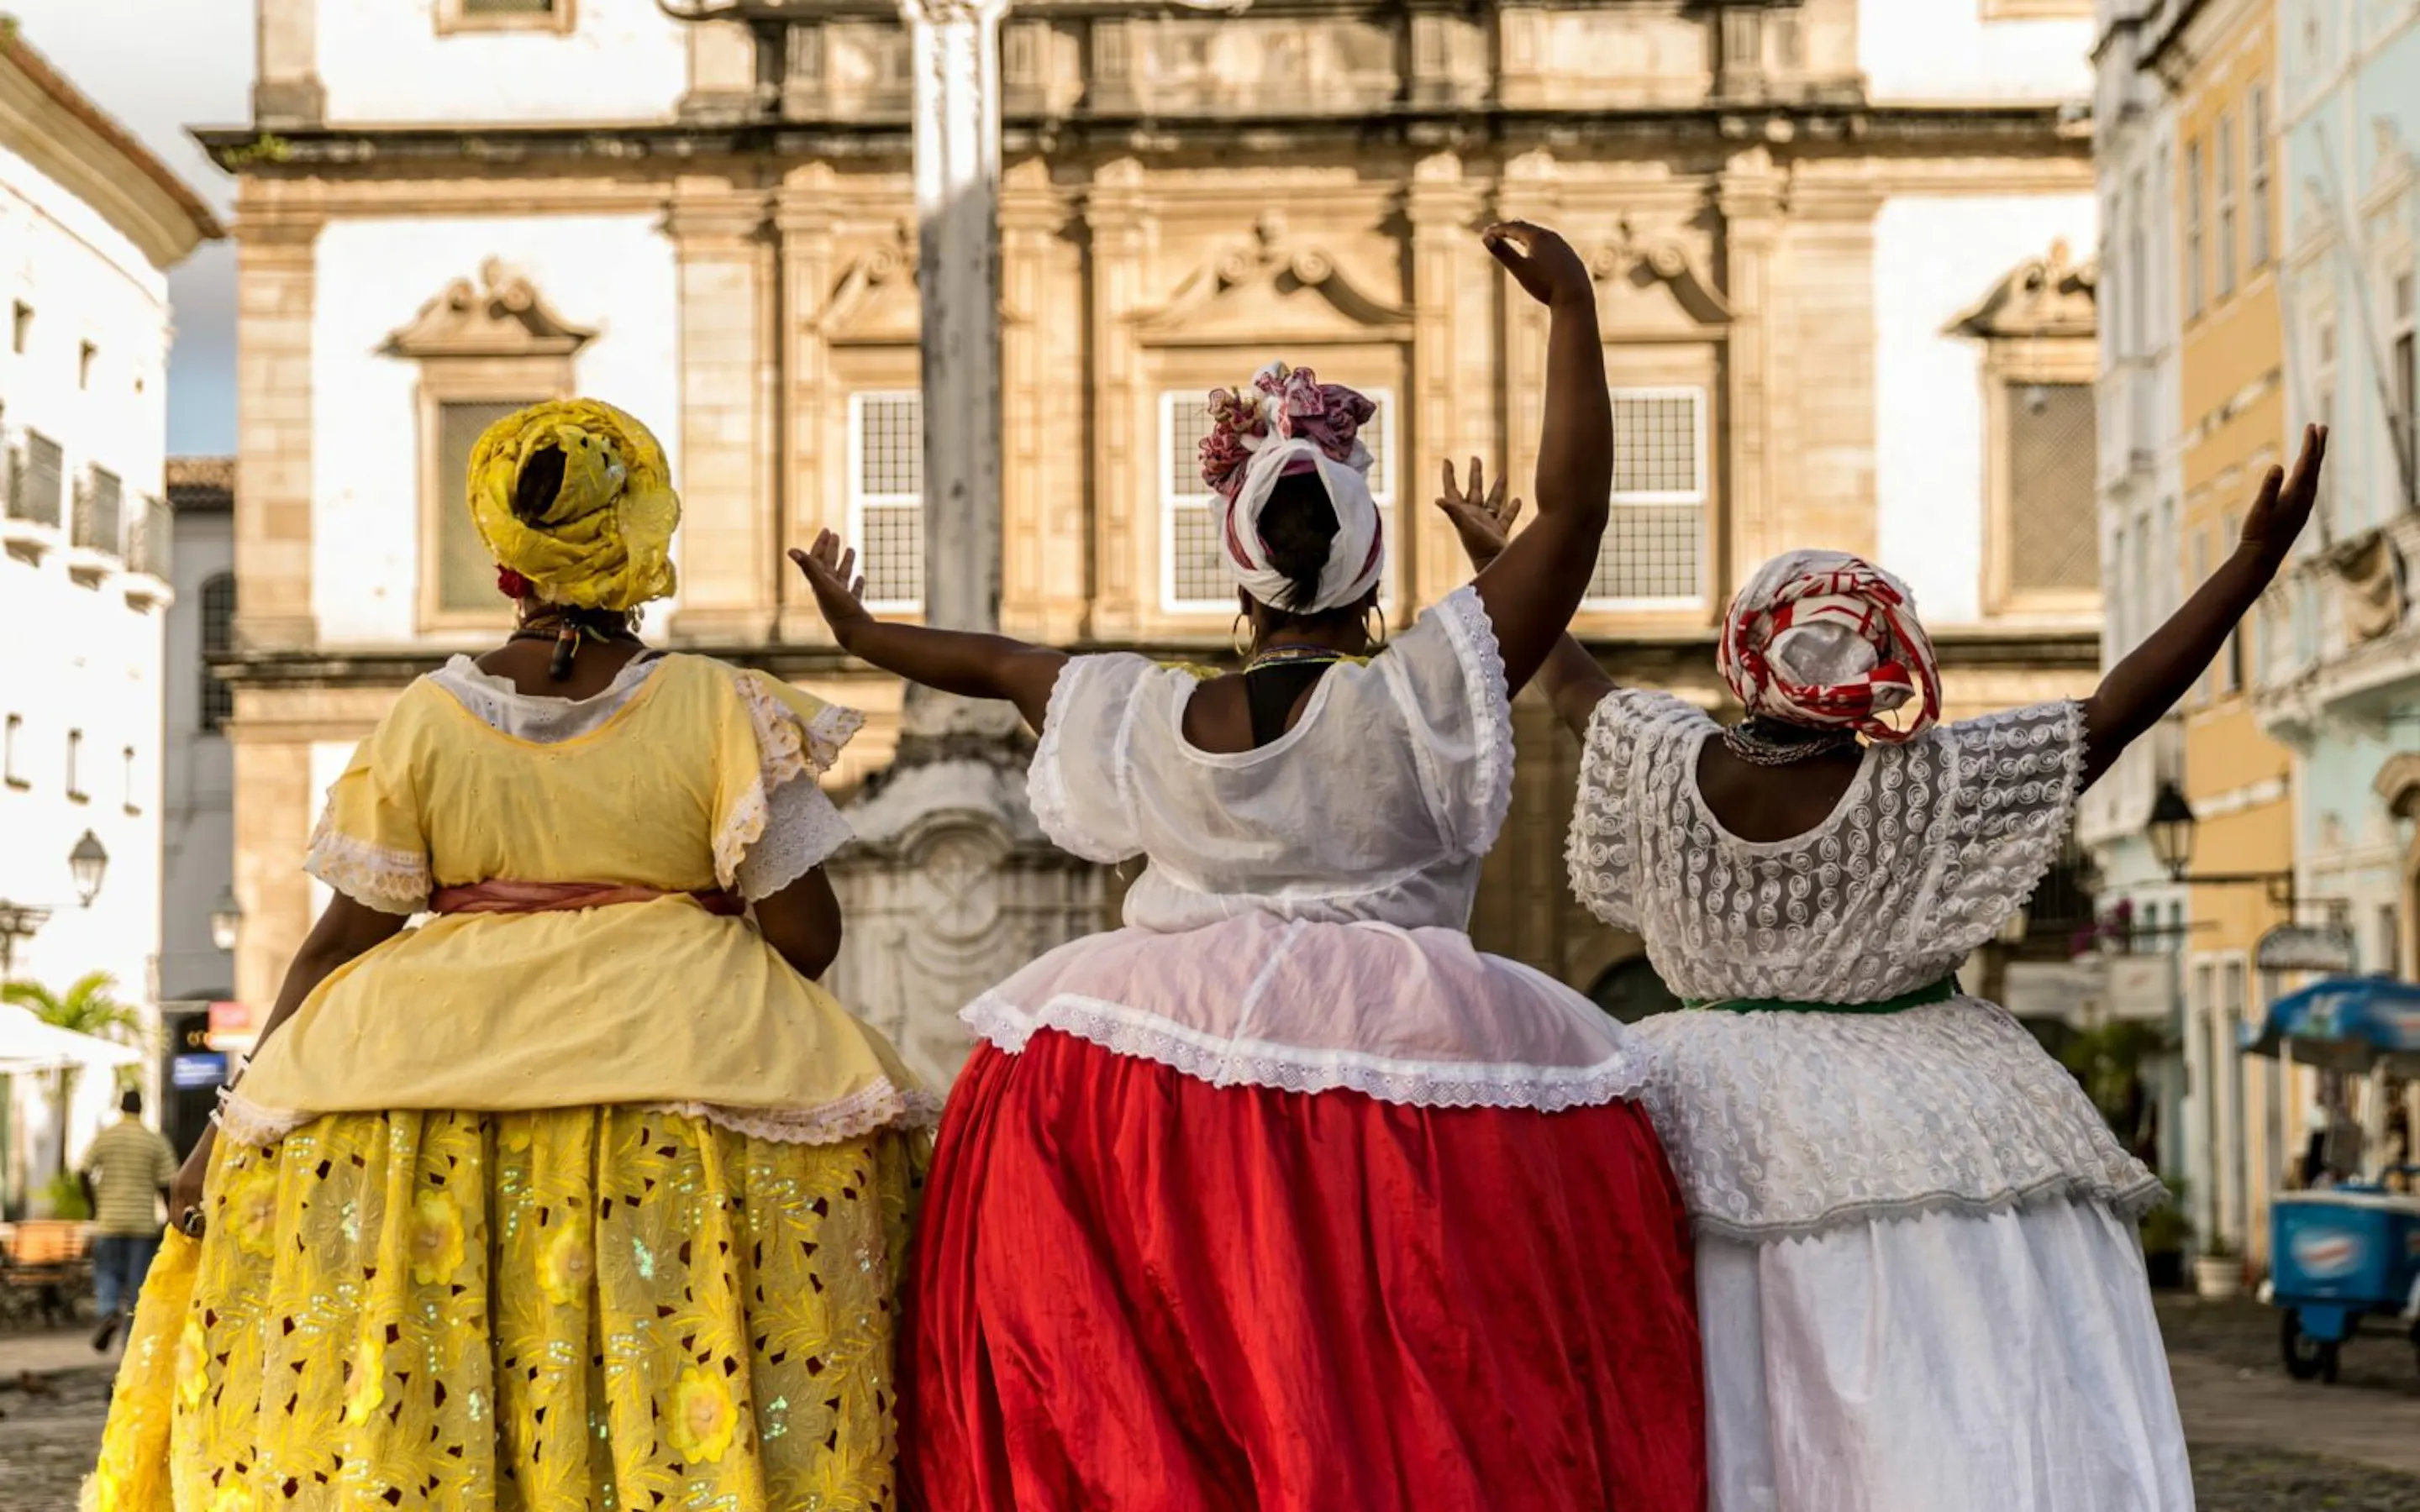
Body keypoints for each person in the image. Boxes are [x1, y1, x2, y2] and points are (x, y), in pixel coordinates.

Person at [792, 223, 1707, 1511]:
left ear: (1241, 567)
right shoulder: (1420, 690)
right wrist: (1571, 308)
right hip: (1408, 1058)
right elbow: (1578, 513)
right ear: (1370, 562)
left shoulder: (1140, 712)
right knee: (1402, 1375)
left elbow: (998, 662)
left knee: (1187, 1372)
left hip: (1147, 1067)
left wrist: (866, 630)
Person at [1436, 424, 2329, 1512]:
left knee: (1714, 1366)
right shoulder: (1933, 785)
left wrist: (1500, 562)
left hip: (1687, 1104)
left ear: (1745, 651)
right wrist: (2249, 569)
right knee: (1939, 1385)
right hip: (1927, 1102)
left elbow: (1566, 678)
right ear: (1884, 666)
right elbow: (2117, 710)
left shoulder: (1664, 757)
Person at [86, 400, 932, 1511]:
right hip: (688, 1080)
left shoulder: (426, 719)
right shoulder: (717, 707)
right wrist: (682, 897)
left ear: (505, 564)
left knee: (443, 1400)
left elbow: (339, 942)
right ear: (642, 537)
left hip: (418, 1088)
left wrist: (217, 1142)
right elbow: (806, 938)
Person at [81, 1087, 176, 1353]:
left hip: (109, 1220)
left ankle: (109, 1311)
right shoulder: (154, 1141)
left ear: (121, 1107)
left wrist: (93, 1205)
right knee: (137, 1285)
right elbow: (168, 1182)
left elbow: (83, 1170)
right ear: (141, 1109)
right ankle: (131, 1342)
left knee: (107, 1273)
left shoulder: (106, 1137)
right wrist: (171, 1217)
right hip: (142, 1224)